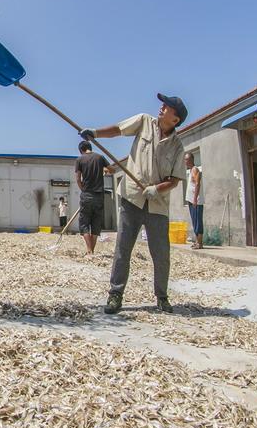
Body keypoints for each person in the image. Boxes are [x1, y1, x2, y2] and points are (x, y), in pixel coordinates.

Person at [79, 93, 187, 314]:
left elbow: (175, 180)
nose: (162, 107)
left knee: (161, 254)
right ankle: (115, 295)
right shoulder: (144, 121)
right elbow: (119, 129)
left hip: (157, 205)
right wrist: (95, 133)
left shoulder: (177, 147)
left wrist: (156, 189)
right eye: (163, 104)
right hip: (132, 198)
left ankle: (162, 297)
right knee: (123, 249)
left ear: (175, 119)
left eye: (167, 106)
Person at [75, 140, 116, 254]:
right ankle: (92, 251)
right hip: (99, 196)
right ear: (90, 147)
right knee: (96, 224)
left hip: (87, 195)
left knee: (84, 223)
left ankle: (89, 250)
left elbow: (78, 179)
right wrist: (104, 169)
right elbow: (113, 170)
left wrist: (83, 190)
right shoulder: (100, 157)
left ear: (81, 150)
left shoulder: (80, 159)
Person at [184, 152, 204, 249]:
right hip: (191, 200)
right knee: (194, 221)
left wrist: (195, 199)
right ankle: (197, 242)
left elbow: (197, 184)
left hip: (195, 201)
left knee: (198, 221)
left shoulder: (195, 169)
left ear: (191, 160)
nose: (185, 162)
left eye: (186, 159)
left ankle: (199, 243)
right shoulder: (191, 170)